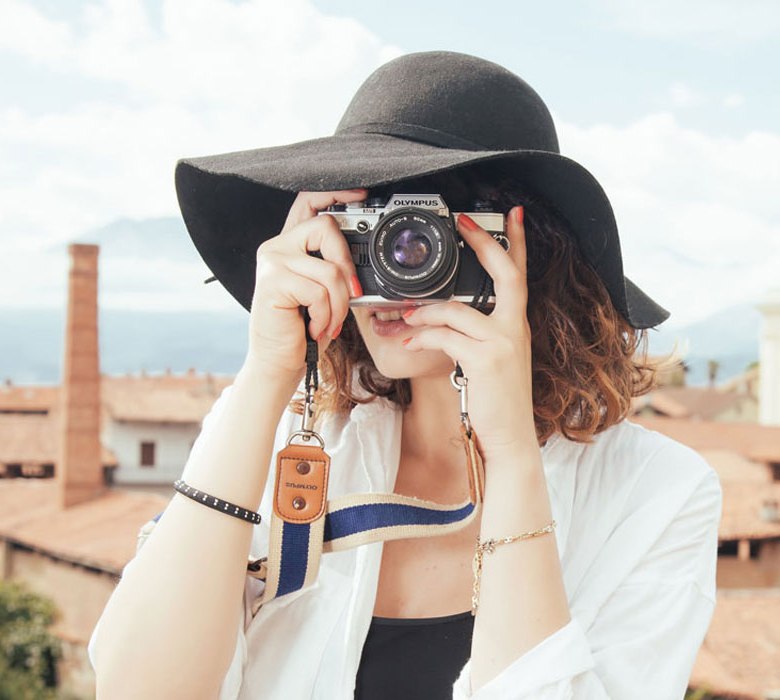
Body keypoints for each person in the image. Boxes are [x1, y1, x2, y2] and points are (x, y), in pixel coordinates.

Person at [88, 50, 721, 699]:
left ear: (530, 252)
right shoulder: (275, 439)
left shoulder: (658, 495)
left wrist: (511, 459)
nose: (398, 268)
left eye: (428, 237)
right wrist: (266, 373)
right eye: (368, 231)